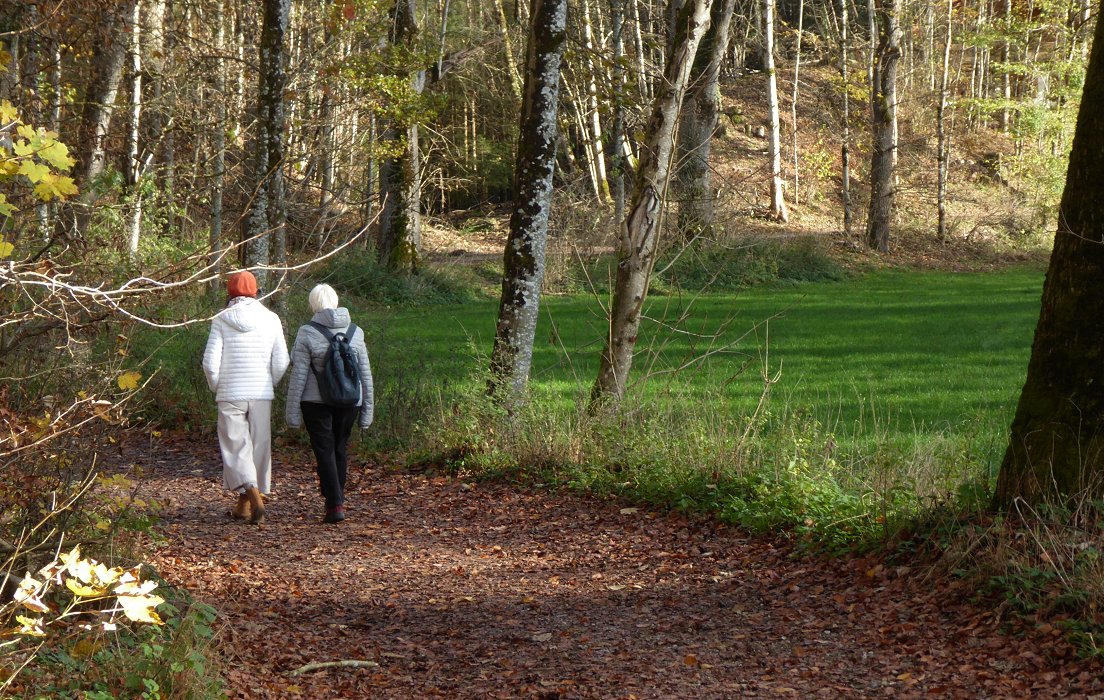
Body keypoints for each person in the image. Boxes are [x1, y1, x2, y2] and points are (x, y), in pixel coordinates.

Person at [201, 270, 290, 525]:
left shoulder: (221, 318)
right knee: (259, 447)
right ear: (256, 291)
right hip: (261, 393)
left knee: (236, 446)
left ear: (230, 292)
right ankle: (246, 504)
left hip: (231, 392)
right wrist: (268, 383)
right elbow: (282, 360)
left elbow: (209, 363)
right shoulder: (271, 318)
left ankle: (253, 497)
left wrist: (217, 386)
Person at [285, 284, 374, 524]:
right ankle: (337, 500)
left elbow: (299, 375)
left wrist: (292, 413)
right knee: (339, 448)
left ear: (313, 304)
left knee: (324, 450)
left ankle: (334, 504)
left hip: (315, 402)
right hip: (350, 401)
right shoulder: (356, 332)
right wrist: (367, 411)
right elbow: (365, 375)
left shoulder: (307, 332)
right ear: (336, 301)